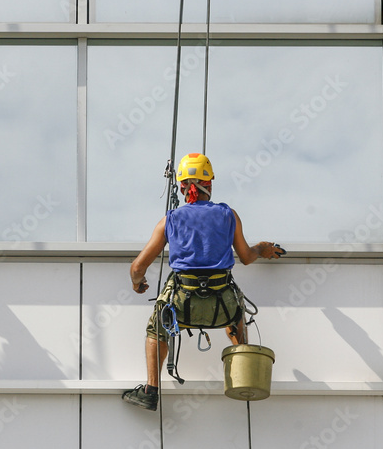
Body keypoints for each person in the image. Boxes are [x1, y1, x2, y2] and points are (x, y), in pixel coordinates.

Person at [122, 152, 285, 411]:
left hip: (181, 307)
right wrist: (262, 248)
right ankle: (245, 374)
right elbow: (245, 257)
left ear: (183, 188)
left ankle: (151, 389)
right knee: (237, 313)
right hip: (222, 307)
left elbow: (137, 267)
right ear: (208, 185)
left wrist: (137, 283)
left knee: (156, 328)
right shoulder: (228, 215)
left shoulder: (170, 220)